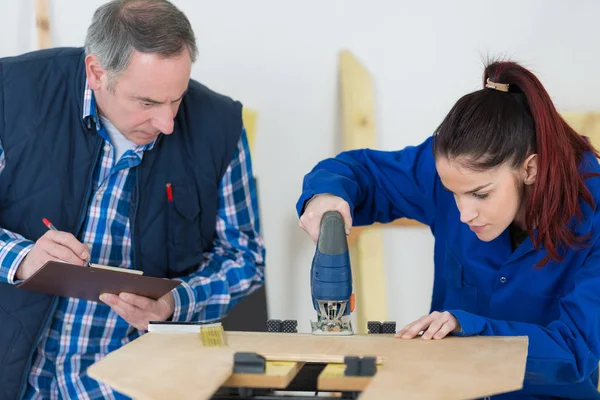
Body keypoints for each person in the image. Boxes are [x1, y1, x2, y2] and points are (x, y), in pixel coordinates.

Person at [0, 0, 265, 398]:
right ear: (96, 72)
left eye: (177, 98)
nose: (168, 123)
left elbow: (245, 257)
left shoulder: (220, 126)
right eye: (147, 103)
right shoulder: (12, 93)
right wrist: (22, 259)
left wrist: (177, 302)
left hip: (131, 383)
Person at [297, 61, 600, 399]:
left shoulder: (595, 216)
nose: (463, 214)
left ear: (531, 168)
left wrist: (469, 328)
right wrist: (326, 195)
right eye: (452, 192)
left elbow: (576, 350)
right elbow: (360, 171)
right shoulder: (453, 169)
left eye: (480, 194)